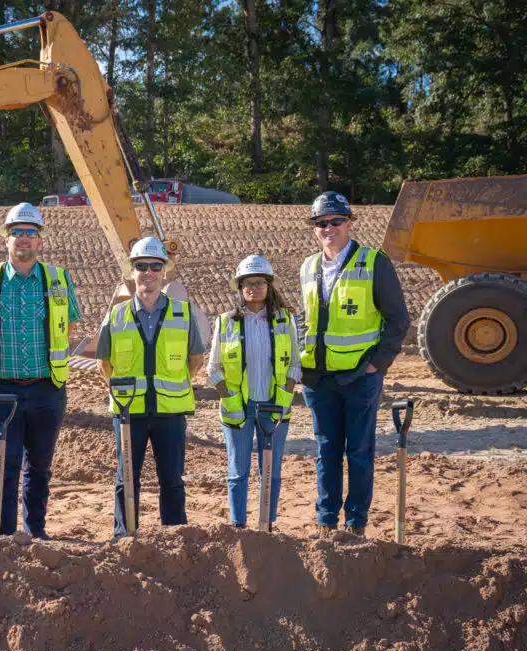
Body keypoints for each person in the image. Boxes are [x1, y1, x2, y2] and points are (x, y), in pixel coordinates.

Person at [299, 192, 410, 536]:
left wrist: (378, 364)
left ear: (349, 222)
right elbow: (310, 322)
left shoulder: (374, 262)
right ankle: (326, 521)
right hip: (319, 379)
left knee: (359, 451)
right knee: (326, 451)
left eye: (335, 221)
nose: (328, 228)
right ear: (314, 228)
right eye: (321, 223)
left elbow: (398, 319)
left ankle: (356, 523)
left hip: (360, 376)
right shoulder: (308, 267)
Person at [0, 202, 80, 539]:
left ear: (40, 241)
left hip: (46, 388)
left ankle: (35, 533)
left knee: (39, 467)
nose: (23, 238)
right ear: (6, 239)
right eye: (16, 232)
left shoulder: (58, 279)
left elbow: (70, 323)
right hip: (1, 388)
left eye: (30, 233)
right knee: (3, 467)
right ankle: (2, 535)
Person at [96, 237, 206, 537]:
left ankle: (174, 535)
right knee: (126, 477)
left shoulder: (182, 313)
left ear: (164, 271)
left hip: (169, 412)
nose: (148, 272)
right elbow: (103, 363)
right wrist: (119, 393)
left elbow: (195, 358)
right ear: (132, 272)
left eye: (154, 266)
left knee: (171, 477)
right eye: (141, 266)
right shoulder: (116, 315)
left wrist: (174, 383)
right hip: (128, 411)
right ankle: (124, 534)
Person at [207, 255, 301, 530]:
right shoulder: (225, 323)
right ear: (239, 287)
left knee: (270, 472)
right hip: (239, 410)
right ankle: (238, 525)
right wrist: (231, 401)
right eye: (247, 282)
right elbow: (214, 370)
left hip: (274, 408)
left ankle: (267, 524)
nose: (254, 287)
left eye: (260, 281)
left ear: (269, 286)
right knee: (238, 471)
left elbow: (295, 365)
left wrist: (284, 400)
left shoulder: (285, 320)